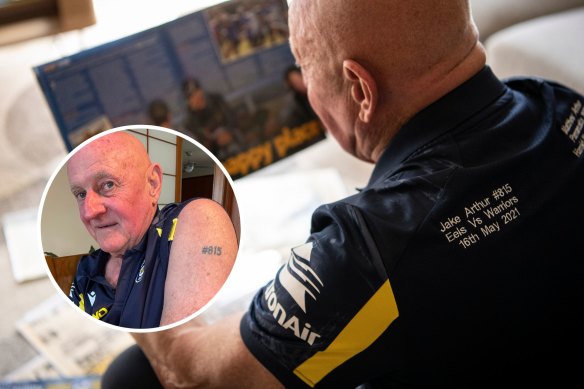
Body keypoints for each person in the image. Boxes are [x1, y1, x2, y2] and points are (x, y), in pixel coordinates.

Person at [105, 0, 584, 386]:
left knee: (133, 374)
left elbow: (203, 374)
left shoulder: (370, 247)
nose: (306, 87)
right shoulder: (558, 104)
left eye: (304, 65)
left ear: (360, 89)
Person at [66, 131, 238, 329]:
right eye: (80, 194)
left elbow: (185, 345)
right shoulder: (87, 268)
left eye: (108, 185)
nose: (89, 212)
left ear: (153, 184)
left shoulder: (197, 220)